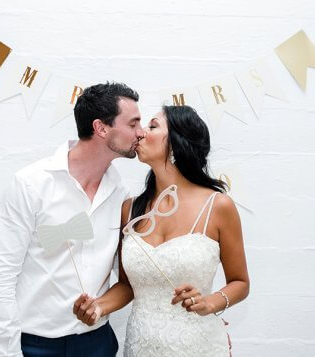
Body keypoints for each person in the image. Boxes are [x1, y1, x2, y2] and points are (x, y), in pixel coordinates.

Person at [0, 82, 145, 357]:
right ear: (101, 128)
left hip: (97, 343)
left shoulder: (121, 194)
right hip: (34, 345)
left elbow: (129, 277)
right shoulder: (30, 184)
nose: (140, 133)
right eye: (133, 123)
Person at [73, 105, 250, 356]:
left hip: (198, 346)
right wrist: (99, 307)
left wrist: (209, 303)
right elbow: (127, 285)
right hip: (141, 345)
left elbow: (240, 282)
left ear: (177, 143)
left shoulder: (218, 206)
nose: (141, 133)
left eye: (152, 126)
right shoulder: (130, 209)